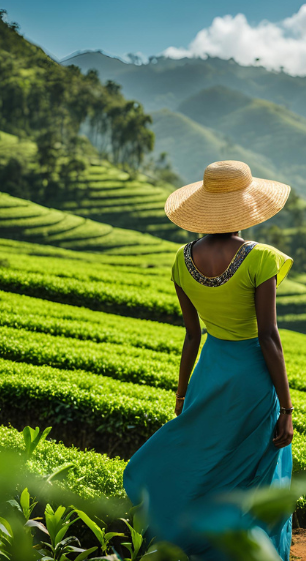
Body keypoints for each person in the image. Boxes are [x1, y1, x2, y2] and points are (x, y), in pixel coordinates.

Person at [123, 160, 295, 560]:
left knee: (210, 462)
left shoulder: (181, 261)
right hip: (252, 376)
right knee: (257, 470)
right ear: (247, 206)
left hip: (210, 372)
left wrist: (182, 393)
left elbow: (191, 336)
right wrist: (286, 407)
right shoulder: (261, 258)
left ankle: (190, 538)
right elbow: (269, 337)